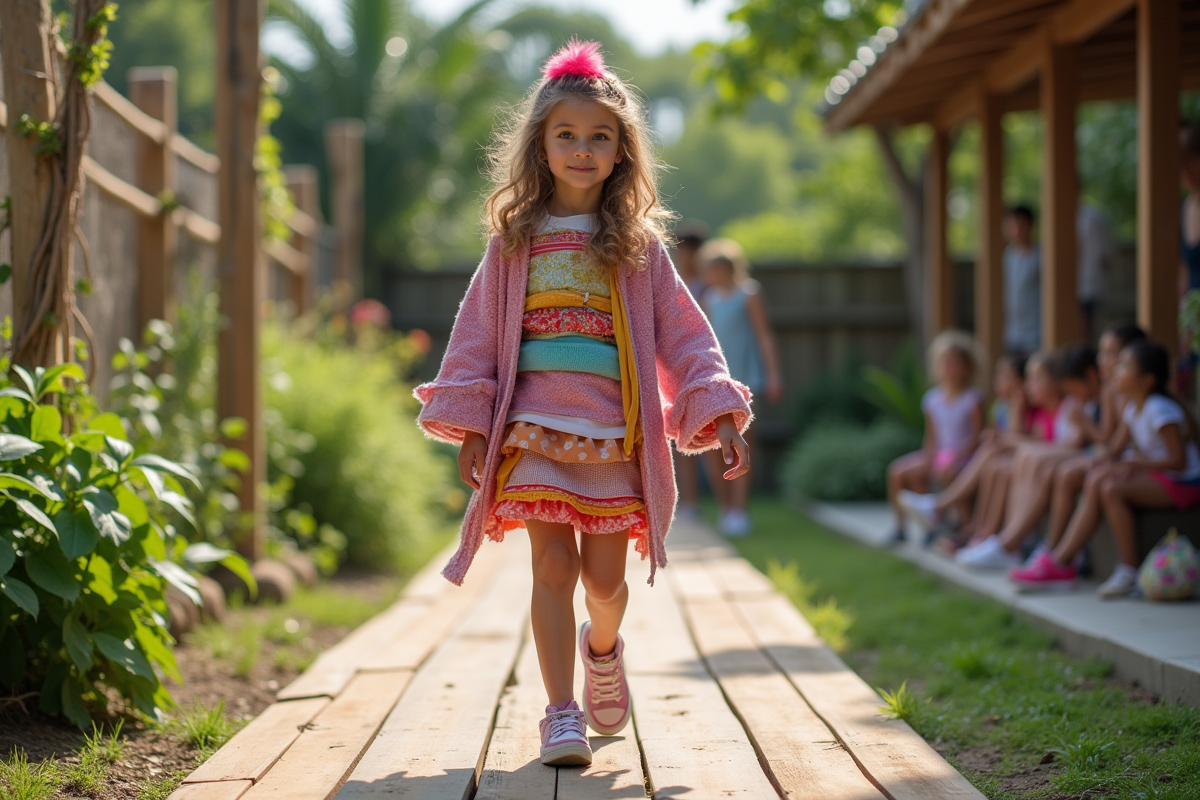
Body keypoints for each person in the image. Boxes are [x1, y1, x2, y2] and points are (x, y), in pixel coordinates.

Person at [412, 40, 752, 768]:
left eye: (600, 137)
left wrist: (715, 405)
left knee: (605, 582)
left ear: (622, 152)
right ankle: (560, 712)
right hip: (533, 431)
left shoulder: (638, 246)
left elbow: (686, 335)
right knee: (551, 571)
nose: (582, 149)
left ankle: (604, 651)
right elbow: (475, 338)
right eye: (566, 134)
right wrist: (474, 424)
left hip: (612, 436)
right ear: (540, 144)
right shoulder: (513, 242)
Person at [1011, 340, 1200, 597]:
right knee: (1101, 478)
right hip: (1160, 475)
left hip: (1184, 483)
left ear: (1145, 380)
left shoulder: (1159, 409)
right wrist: (1100, 461)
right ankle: (1063, 561)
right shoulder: (1134, 408)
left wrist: (1135, 463)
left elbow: (1179, 462)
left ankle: (1122, 568)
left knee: (1111, 488)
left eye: (1124, 365)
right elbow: (1115, 450)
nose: (1116, 370)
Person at [1006, 323, 1147, 572]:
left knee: (1067, 471)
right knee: (1059, 470)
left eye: (1111, 354)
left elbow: (1111, 444)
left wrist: (1087, 427)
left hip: (1138, 465)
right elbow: (1113, 443)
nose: (1103, 360)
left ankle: (1053, 553)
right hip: (1124, 460)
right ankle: (1049, 548)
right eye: (1103, 353)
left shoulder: (1129, 397)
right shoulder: (1112, 393)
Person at [955, 344, 1099, 569]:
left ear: (1057, 382)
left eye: (1036, 378)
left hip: (1073, 462)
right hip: (1059, 463)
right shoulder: (1044, 414)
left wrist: (1014, 432)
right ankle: (1000, 537)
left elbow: (1075, 444)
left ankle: (1010, 541)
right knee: (1015, 458)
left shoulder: (1071, 407)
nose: (1028, 385)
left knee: (1026, 455)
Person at [697, 238, 783, 536]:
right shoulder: (709, 299)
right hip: (717, 379)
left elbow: (764, 336)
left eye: (714, 268)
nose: (710, 274)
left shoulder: (750, 293)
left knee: (745, 442)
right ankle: (725, 509)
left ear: (728, 268)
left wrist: (772, 375)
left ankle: (740, 510)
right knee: (713, 444)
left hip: (746, 376)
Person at [887, 331, 984, 542]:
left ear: (967, 367)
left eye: (954, 362)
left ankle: (959, 525)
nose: (948, 368)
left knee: (948, 471)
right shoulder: (932, 400)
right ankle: (903, 528)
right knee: (899, 470)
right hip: (940, 453)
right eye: (944, 362)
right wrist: (928, 460)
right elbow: (931, 437)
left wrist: (956, 456)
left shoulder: (972, 399)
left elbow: (978, 438)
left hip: (964, 455)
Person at [671, 221, 709, 521]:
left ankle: (729, 506)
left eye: (690, 252)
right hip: (678, 368)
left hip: (705, 364)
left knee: (710, 434)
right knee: (681, 437)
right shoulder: (670, 282)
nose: (685, 257)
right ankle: (690, 501)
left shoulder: (709, 285)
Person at [1004, 205, 1042, 355]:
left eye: (1021, 225)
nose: (1017, 230)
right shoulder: (1008, 255)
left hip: (1036, 332)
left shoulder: (1041, 256)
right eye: (1012, 225)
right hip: (1014, 332)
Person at [1077, 204, 1114, 344]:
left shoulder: (1092, 219)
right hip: (1083, 284)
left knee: (1087, 327)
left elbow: (1105, 257)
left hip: (1089, 284)